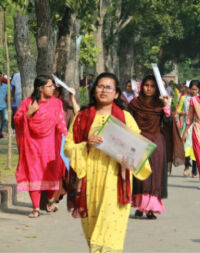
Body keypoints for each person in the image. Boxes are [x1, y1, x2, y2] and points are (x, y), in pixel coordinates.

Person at [64, 72, 151, 252]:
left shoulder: (125, 118)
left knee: (109, 232)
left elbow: (139, 150)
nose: (103, 90)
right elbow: (68, 147)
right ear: (94, 89)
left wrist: (127, 156)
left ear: (116, 93)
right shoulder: (82, 116)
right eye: (100, 86)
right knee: (92, 230)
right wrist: (86, 145)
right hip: (88, 180)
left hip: (115, 179)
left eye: (108, 87)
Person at [14, 75, 67, 218]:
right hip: (32, 146)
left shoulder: (56, 103)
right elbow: (17, 121)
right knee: (34, 175)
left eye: (53, 86)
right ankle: (36, 208)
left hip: (50, 145)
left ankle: (50, 201)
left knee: (51, 172)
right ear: (41, 88)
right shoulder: (28, 103)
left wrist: (67, 138)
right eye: (50, 86)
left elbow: (61, 122)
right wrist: (29, 113)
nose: (53, 88)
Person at [128, 74, 173, 220]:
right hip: (138, 141)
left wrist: (167, 107)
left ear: (157, 88)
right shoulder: (134, 103)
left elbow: (167, 122)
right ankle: (140, 206)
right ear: (142, 87)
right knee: (140, 176)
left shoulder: (160, 104)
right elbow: (128, 121)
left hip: (156, 142)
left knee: (154, 176)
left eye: (152, 86)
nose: (149, 88)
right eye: (146, 85)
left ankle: (150, 208)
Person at [180, 80, 200, 178]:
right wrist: (185, 114)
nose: (194, 91)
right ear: (189, 89)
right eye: (192, 89)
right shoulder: (184, 98)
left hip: (197, 127)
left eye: (196, 90)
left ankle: (194, 170)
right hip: (186, 126)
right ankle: (187, 167)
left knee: (196, 149)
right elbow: (178, 111)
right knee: (186, 148)